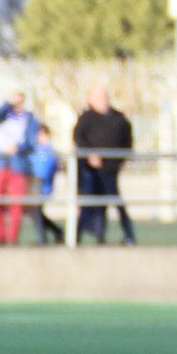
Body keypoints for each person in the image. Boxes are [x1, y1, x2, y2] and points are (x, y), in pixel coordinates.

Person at [73, 85, 136, 246]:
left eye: (105, 97)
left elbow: (128, 141)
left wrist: (120, 160)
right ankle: (77, 237)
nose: (103, 101)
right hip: (91, 171)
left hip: (110, 170)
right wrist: (90, 155)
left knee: (116, 202)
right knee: (89, 202)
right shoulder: (86, 118)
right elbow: (79, 138)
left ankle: (129, 235)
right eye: (99, 98)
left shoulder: (118, 118)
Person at [0, 91, 39, 246]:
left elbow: (31, 142)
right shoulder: (3, 115)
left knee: (17, 204)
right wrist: (8, 103)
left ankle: (13, 238)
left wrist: (18, 148)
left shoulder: (30, 120)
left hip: (18, 165)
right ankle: (0, 237)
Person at [31, 124, 64, 246]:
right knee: (36, 212)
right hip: (33, 184)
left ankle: (43, 239)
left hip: (43, 185)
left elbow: (48, 169)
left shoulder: (50, 152)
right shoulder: (36, 150)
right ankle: (57, 231)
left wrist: (41, 178)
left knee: (37, 211)